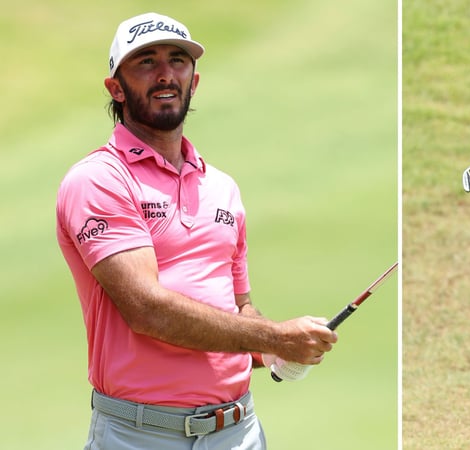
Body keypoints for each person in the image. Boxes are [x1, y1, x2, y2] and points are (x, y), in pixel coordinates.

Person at [56, 12, 338, 449]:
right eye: (146, 62)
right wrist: (276, 335)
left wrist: (278, 352)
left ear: (194, 81)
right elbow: (147, 310)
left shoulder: (221, 186)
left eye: (178, 60)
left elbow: (238, 307)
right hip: (141, 435)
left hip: (239, 431)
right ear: (116, 87)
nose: (166, 74)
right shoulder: (98, 179)